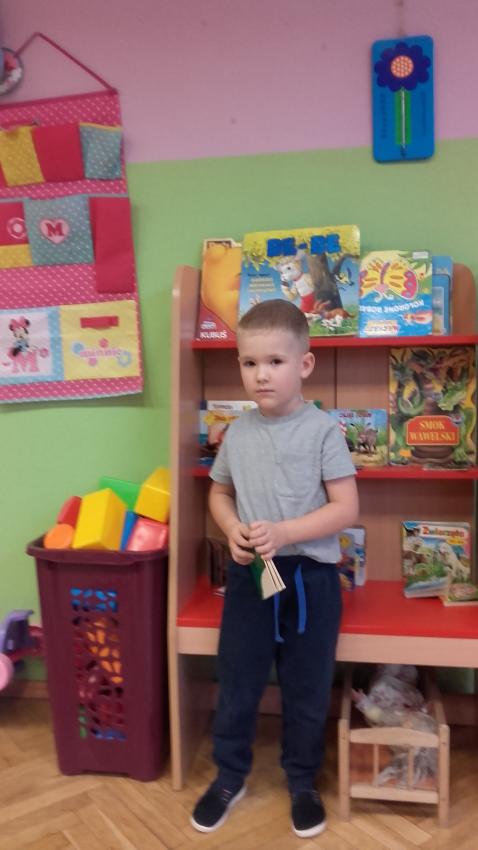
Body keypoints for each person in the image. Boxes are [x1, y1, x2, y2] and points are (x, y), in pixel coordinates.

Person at [191, 298, 359, 838]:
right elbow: (219, 493)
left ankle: (303, 781)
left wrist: (285, 532)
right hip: (251, 577)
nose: (261, 374)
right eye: (249, 362)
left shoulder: (323, 431)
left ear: (304, 365)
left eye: (275, 362)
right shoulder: (238, 433)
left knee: (307, 686)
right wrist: (230, 527)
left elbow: (346, 509)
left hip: (310, 580)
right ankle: (229, 777)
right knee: (238, 679)